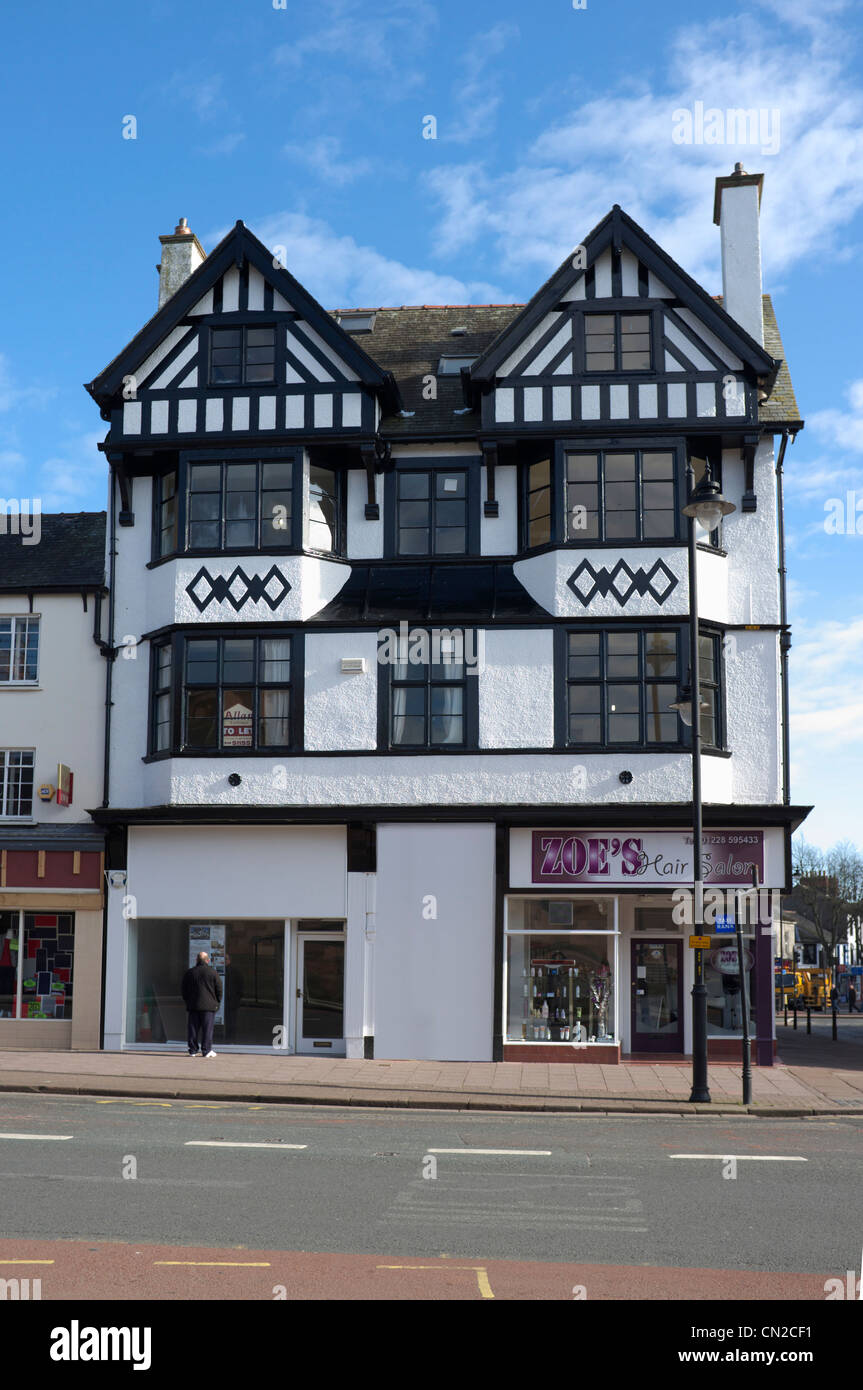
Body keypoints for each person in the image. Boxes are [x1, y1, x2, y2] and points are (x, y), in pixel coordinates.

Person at [181, 951, 222, 1058]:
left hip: (193, 1005)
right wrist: (217, 1002)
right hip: (209, 1006)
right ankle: (207, 1050)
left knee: (193, 1029)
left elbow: (184, 990)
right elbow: (219, 989)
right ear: (207, 960)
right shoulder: (213, 972)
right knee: (207, 1029)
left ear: (196, 960)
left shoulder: (190, 973)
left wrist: (188, 1001)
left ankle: (193, 1050)